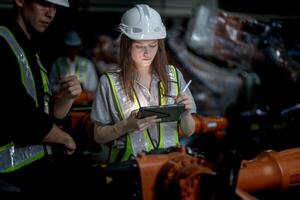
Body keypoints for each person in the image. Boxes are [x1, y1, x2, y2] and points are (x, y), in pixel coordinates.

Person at [90, 4, 197, 164]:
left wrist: (186, 113)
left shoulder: (173, 75)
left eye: (153, 45)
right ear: (126, 45)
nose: (147, 53)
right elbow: (98, 136)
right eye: (139, 46)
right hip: (129, 169)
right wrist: (125, 126)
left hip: (168, 167)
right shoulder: (109, 83)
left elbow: (189, 131)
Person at [0, 0, 82, 192]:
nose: (50, 13)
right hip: (7, 176)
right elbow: (23, 116)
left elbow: (47, 112)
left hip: (32, 172)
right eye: (45, 3)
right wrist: (65, 139)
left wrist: (69, 96)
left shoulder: (29, 48)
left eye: (55, 7)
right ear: (20, 0)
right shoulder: (3, 43)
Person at [49, 30, 98, 106]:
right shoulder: (57, 64)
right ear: (65, 46)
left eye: (75, 47)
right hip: (62, 104)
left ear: (79, 47)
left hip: (81, 106)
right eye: (70, 47)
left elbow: (92, 90)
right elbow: (51, 88)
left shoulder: (87, 64)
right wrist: (61, 87)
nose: (72, 50)